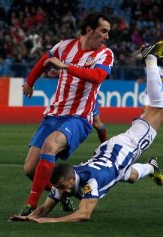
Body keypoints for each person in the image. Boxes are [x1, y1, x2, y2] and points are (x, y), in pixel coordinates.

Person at [9, 40, 163, 223]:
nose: (61, 192)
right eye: (60, 189)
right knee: (129, 175)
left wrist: (48, 221)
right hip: (108, 156)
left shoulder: (91, 182)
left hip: (125, 147)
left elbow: (84, 214)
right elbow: (45, 208)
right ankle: (151, 167)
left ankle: (150, 58)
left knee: (159, 111)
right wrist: (29, 217)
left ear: (72, 178)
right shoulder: (66, 181)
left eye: (62, 188)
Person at [19, 12, 114, 216]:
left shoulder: (105, 54)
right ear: (90, 29)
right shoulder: (65, 46)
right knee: (30, 170)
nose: (107, 36)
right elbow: (45, 60)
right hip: (53, 114)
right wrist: (29, 82)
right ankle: (61, 193)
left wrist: (67, 67)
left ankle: (31, 204)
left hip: (79, 118)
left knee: (51, 144)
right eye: (103, 31)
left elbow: (97, 76)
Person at [139, 66, 163, 131]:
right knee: (144, 109)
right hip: (148, 92)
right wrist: (142, 80)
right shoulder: (146, 68)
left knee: (161, 108)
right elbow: (148, 79)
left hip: (156, 92)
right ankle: (141, 127)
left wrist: (156, 79)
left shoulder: (157, 68)